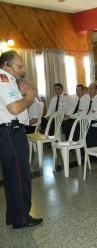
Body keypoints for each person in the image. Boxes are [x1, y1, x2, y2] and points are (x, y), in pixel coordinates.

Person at [0, 50, 43, 229]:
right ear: (7, 65)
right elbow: (15, 109)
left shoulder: (9, 81)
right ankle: (22, 218)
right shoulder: (2, 80)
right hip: (10, 132)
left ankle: (14, 215)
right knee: (19, 176)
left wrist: (23, 92)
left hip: (11, 132)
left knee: (12, 177)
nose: (23, 69)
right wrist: (29, 97)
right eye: (19, 66)